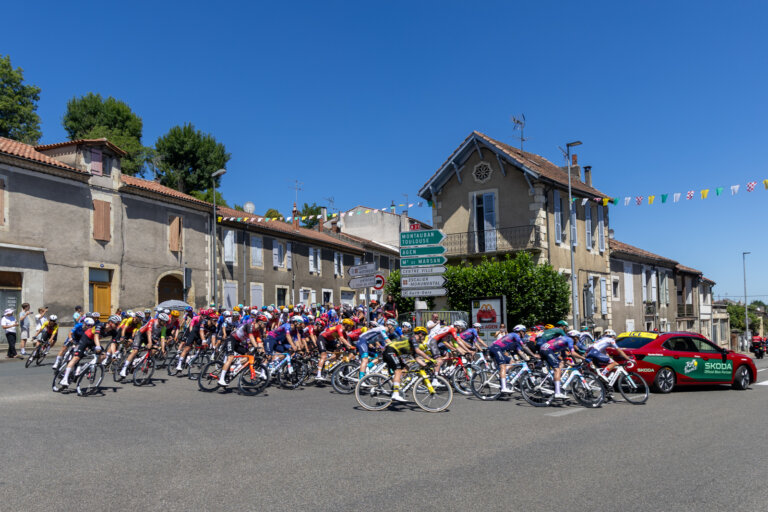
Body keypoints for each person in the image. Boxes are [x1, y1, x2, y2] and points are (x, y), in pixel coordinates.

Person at [60, 315, 121, 388]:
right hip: (86, 339)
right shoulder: (100, 325)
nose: (118, 325)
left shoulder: (114, 332)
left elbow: (113, 343)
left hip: (93, 342)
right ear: (110, 322)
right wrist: (98, 346)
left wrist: (114, 354)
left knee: (104, 355)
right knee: (76, 358)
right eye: (117, 324)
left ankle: (89, 365)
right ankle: (65, 379)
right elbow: (96, 336)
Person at [382, 326, 431, 402]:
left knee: (406, 367)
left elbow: (417, 358)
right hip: (390, 351)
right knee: (398, 371)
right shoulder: (413, 338)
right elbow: (418, 351)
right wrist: (430, 359)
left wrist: (426, 366)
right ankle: (395, 394)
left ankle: (397, 384)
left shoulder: (413, 344)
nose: (424, 338)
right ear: (421, 334)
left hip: (394, 352)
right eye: (424, 335)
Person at [490, 325, 536, 393]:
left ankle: (503, 376)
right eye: (524, 332)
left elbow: (520, 352)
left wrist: (528, 360)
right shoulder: (515, 335)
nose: (525, 333)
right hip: (495, 348)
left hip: (498, 349)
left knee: (512, 362)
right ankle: (503, 387)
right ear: (520, 331)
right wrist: (534, 355)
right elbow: (524, 347)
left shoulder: (515, 341)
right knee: (503, 366)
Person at [539, 332, 585, 399]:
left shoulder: (564, 340)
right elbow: (573, 353)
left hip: (543, 348)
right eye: (578, 338)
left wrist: (573, 365)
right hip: (547, 350)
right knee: (557, 369)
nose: (577, 341)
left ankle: (553, 385)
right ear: (575, 337)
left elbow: (564, 358)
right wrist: (584, 358)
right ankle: (557, 393)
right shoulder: (570, 340)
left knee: (558, 366)